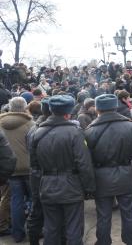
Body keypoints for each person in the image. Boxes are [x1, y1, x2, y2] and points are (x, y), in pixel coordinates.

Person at [30, 95, 96, 245]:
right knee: (73, 228)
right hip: (71, 186)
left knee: (51, 228)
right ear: (68, 113)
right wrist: (90, 188)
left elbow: (34, 166)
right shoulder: (75, 133)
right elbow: (84, 164)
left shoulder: (37, 133)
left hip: (47, 185)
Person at [85, 94, 132, 245]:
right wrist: (127, 158)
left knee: (103, 214)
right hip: (125, 173)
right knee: (128, 212)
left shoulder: (90, 130)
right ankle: (131, 241)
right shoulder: (131, 126)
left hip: (101, 176)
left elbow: (86, 158)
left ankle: (103, 242)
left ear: (98, 109)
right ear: (115, 107)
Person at [0, 97, 34, 242]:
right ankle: (34, 230)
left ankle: (17, 233)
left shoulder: (0, 123)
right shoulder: (30, 123)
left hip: (10, 169)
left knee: (16, 201)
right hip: (28, 167)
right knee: (33, 199)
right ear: (25, 107)